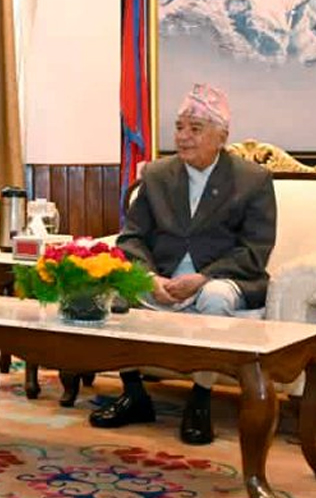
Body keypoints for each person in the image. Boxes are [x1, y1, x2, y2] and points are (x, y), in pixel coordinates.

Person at [89, 83, 277, 445]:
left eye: (195, 128)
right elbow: (131, 238)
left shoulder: (252, 180)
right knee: (116, 285)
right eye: (179, 127)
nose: (183, 136)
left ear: (221, 136)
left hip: (220, 279)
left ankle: (200, 400)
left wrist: (203, 278)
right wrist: (148, 276)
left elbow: (256, 250)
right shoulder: (157, 174)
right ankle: (134, 394)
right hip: (162, 279)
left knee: (216, 298)